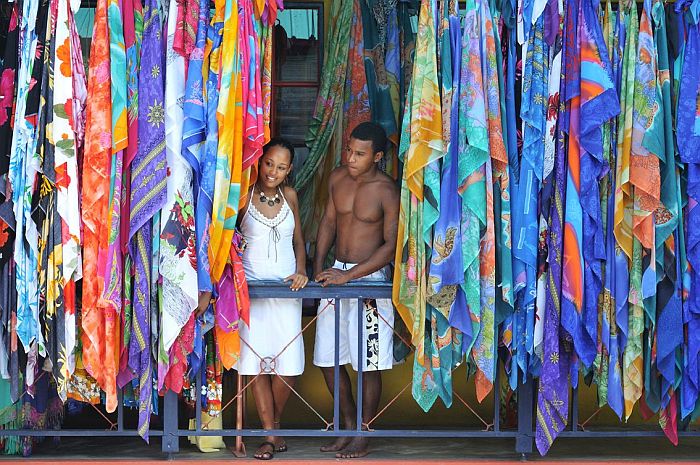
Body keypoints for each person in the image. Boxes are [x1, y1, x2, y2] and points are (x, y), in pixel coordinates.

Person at [313, 122, 400, 459]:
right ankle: (347, 426)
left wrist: (350, 278)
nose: (350, 157)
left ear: (377, 157)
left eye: (359, 154)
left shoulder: (387, 190)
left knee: (368, 362)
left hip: (370, 279)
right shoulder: (337, 178)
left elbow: (390, 246)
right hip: (335, 274)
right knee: (327, 358)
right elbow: (328, 223)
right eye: (349, 150)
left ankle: (364, 432)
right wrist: (317, 267)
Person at [236, 138, 309, 460]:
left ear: (289, 170)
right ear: (259, 161)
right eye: (268, 164)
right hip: (252, 291)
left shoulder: (290, 196)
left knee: (288, 366)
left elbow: (299, 242)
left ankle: (271, 427)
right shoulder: (244, 197)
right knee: (255, 365)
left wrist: (303, 271)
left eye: (281, 167)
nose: (273, 172)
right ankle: (269, 436)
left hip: (287, 291)